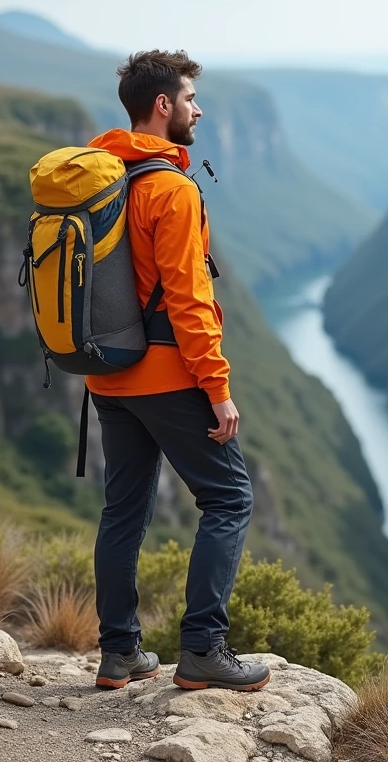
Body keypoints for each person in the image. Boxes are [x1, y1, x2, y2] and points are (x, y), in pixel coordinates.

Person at [86, 50, 269, 692]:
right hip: (167, 375)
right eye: (191, 98)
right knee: (229, 498)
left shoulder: (108, 178)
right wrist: (217, 390)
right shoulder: (169, 188)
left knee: (124, 511)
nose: (199, 109)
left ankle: (119, 653)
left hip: (109, 378)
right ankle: (203, 650)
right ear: (162, 106)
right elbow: (189, 300)